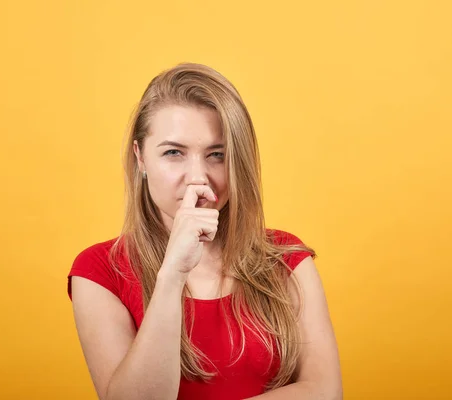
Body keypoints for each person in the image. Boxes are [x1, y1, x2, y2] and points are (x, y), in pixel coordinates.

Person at [66, 62, 342, 400]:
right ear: (140, 158)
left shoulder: (286, 258)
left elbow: (325, 392)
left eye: (216, 155)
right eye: (173, 153)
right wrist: (173, 272)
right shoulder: (98, 271)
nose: (198, 177)